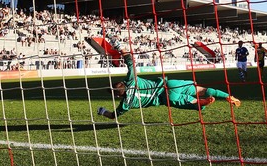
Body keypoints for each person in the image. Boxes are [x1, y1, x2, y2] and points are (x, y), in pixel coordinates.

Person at [97, 48, 240, 119]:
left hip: (166, 98)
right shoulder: (131, 80)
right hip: (169, 84)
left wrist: (103, 111)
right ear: (123, 82)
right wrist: (122, 50)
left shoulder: (125, 104)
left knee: (194, 103)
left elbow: (113, 115)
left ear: (117, 96)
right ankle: (227, 96)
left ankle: (200, 103)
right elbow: (130, 62)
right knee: (201, 89)